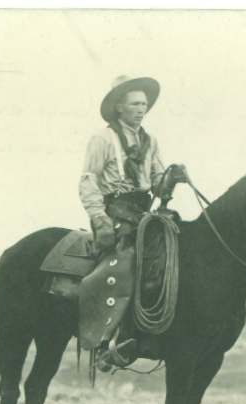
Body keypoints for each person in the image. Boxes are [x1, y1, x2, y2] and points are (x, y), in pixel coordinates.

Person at [78, 75, 186, 371]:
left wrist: (171, 178)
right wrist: (99, 220)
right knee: (126, 260)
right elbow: (88, 181)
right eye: (135, 104)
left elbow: (158, 184)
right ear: (119, 107)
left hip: (143, 213)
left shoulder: (150, 142)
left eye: (144, 104)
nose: (142, 109)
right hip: (115, 211)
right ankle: (107, 343)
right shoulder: (102, 139)